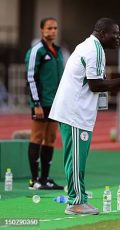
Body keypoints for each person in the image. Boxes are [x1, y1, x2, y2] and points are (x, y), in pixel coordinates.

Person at [49, 18, 120, 215]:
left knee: (78, 159)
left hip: (77, 111)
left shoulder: (90, 46)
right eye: (114, 33)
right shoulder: (95, 50)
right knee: (75, 160)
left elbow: (94, 84)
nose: (118, 37)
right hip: (74, 112)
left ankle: (80, 197)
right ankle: (75, 202)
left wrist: (119, 82)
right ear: (102, 33)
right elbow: (95, 85)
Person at [25, 17, 64, 190]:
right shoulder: (37, 51)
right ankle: (34, 180)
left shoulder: (58, 50)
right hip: (41, 102)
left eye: (55, 28)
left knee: (50, 138)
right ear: (42, 30)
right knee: (37, 137)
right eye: (49, 28)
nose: (53, 31)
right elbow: (30, 78)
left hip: (56, 103)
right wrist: (36, 103)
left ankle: (46, 178)